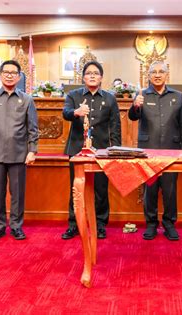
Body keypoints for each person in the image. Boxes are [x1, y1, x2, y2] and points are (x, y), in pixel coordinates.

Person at [0, 60, 39, 241]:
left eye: (13, 73)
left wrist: (32, 150)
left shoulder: (27, 99)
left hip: (19, 153)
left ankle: (16, 227)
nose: (10, 75)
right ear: (0, 75)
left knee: (18, 194)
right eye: (6, 72)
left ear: (19, 77)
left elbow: (33, 128)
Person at [128, 61, 182, 241]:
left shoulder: (177, 96)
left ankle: (169, 224)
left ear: (167, 74)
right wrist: (135, 106)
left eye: (161, 71)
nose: (157, 75)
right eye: (153, 72)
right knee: (150, 189)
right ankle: (151, 224)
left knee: (170, 190)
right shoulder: (141, 95)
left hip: (172, 150)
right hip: (148, 151)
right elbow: (132, 117)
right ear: (148, 76)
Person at [61, 61, 121, 240]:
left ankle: (101, 224)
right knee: (76, 187)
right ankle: (74, 224)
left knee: (101, 188)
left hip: (101, 150)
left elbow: (115, 126)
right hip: (78, 149)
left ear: (101, 77)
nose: (92, 76)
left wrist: (115, 149)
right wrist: (76, 112)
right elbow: (65, 113)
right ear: (83, 77)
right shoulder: (73, 95)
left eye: (96, 73)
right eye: (89, 73)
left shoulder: (110, 98)